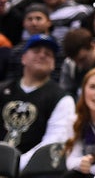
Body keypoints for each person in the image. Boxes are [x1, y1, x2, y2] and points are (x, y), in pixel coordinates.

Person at [0, 33, 75, 171]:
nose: (42, 55)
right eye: (36, 51)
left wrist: (13, 164)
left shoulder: (62, 99)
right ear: (23, 58)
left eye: (48, 54)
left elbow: (54, 142)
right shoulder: (2, 89)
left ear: (53, 64)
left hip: (31, 171)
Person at [64, 66, 95, 177]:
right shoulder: (74, 120)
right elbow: (70, 161)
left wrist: (90, 169)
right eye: (92, 87)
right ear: (83, 91)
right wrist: (81, 162)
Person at [60, 28, 95, 100]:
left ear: (92, 45)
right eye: (75, 61)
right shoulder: (70, 64)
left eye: (82, 59)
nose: (79, 66)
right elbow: (66, 95)